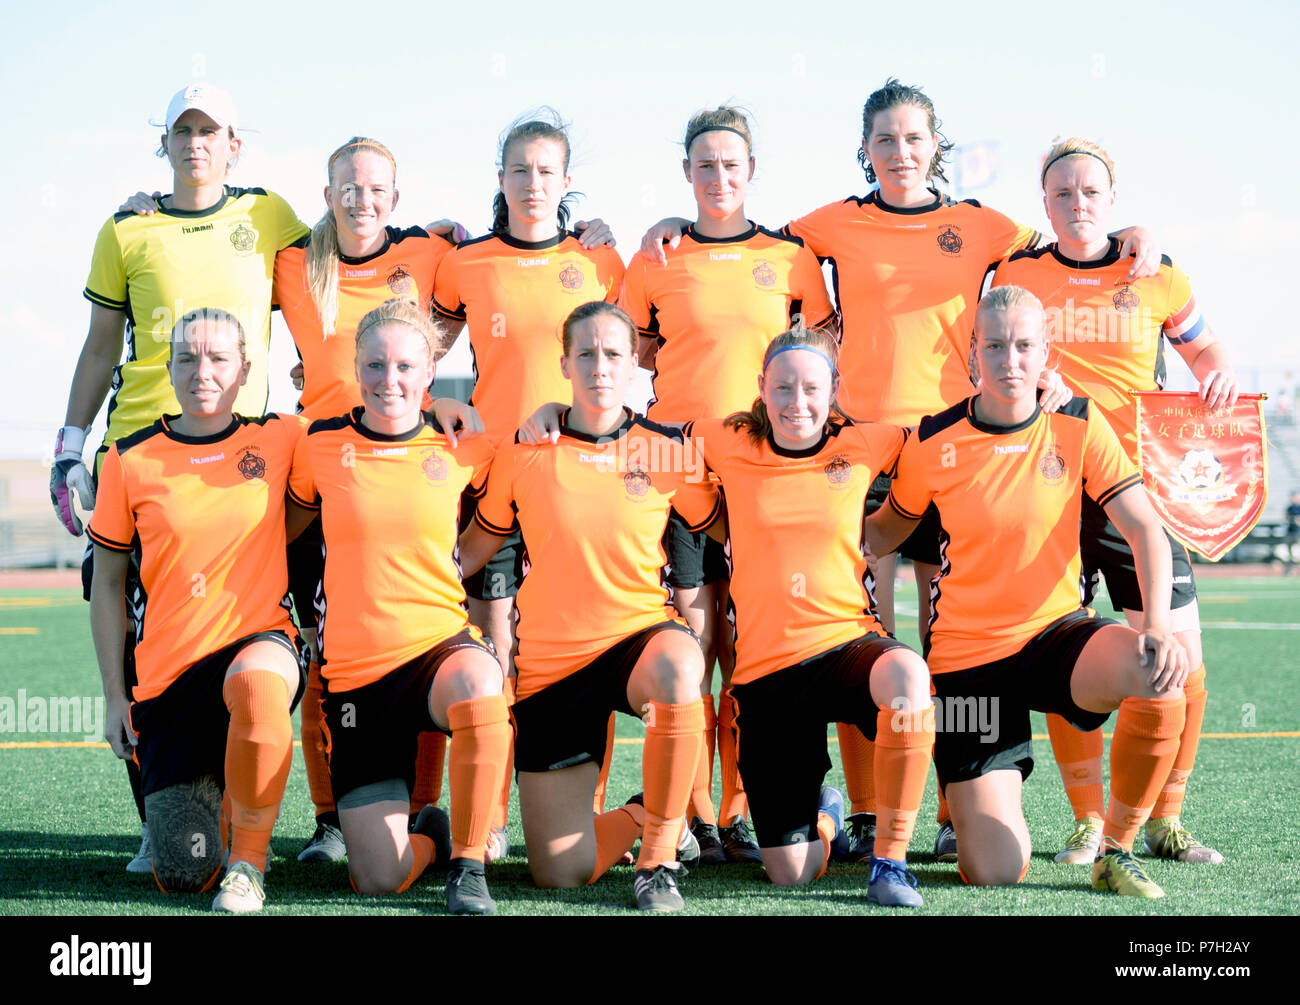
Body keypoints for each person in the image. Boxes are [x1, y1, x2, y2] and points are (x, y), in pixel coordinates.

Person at [638, 80, 1157, 862]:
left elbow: (1060, 255)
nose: (900, 153)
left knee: (941, 632)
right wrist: (671, 223)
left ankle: (957, 805)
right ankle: (866, 811)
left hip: (958, 447)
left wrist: (1132, 235)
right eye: (885, 140)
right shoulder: (830, 224)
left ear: (935, 146)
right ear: (865, 149)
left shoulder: (983, 226)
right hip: (862, 454)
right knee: (860, 630)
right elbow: (740, 238)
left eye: (914, 139)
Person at [52, 82, 309, 874]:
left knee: (245, 640)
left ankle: (258, 811)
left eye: (211, 131)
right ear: (163, 143)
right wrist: (69, 443)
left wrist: (446, 236)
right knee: (137, 650)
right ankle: (163, 812)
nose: (196, 143)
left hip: (238, 471)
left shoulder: (268, 215)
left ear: (235, 143)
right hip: (141, 460)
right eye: (182, 132)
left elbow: (339, 268)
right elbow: (101, 348)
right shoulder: (127, 227)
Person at [866, 286, 1189, 897]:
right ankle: (966, 809)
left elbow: (1147, 528)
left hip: (1056, 636)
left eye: (1023, 346)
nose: (1009, 360)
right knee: (993, 872)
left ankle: (1116, 849)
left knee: (1161, 670)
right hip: (967, 663)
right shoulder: (933, 440)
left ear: (1046, 353)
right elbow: (883, 533)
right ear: (972, 354)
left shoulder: (1078, 422)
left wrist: (1157, 628)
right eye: (994, 346)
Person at [993, 137, 1236, 865]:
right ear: (1044, 202)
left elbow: (1206, 350)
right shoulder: (1018, 270)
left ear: (1113, 197)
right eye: (1062, 193)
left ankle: (1167, 819)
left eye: (1090, 192)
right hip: (1052, 488)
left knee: (1184, 660)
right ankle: (1088, 822)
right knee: (1077, 658)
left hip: (1139, 489)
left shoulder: (1154, 272)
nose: (1076, 204)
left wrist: (1217, 374)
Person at [618, 105, 837, 863]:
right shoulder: (657, 255)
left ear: (751, 171)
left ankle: (742, 811)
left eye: (731, 164)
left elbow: (821, 345)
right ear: (686, 171)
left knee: (751, 645)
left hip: (762, 470)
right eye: (704, 164)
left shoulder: (788, 254)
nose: (718, 177)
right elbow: (627, 344)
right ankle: (691, 816)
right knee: (691, 640)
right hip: (675, 464)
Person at [459, 302, 717, 911]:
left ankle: (657, 864)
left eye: (613, 354)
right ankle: (646, 816)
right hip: (553, 664)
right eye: (586, 354)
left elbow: (729, 526)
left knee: (682, 670)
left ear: (635, 365)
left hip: (639, 640)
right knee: (559, 871)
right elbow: (475, 549)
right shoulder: (524, 452)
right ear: (564, 363)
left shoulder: (667, 450)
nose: (600, 366)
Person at [679, 325, 933, 906]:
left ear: (834, 388)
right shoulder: (724, 441)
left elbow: (953, 435)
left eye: (813, 388)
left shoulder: (869, 441)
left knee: (909, 678)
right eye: (784, 388)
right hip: (768, 675)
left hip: (847, 646)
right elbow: (652, 440)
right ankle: (828, 817)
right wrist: (549, 411)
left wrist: (1046, 393)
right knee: (790, 873)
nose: (799, 403)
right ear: (762, 388)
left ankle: (890, 862)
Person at [273, 136, 466, 865]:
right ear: (327, 196)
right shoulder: (293, 261)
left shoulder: (430, 252)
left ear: (397, 193)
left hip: (411, 475)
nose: (362, 199)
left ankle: (424, 807)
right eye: (348, 187)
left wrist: (595, 236)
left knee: (424, 641)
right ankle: (332, 818)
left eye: (376, 187)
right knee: (328, 653)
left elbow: (499, 271)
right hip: (327, 478)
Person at [432, 109, 625, 838]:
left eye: (547, 171)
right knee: (494, 647)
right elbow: (428, 337)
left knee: (585, 640)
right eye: (520, 170)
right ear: (502, 178)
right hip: (492, 479)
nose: (533, 182)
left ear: (566, 180)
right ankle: (493, 813)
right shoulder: (466, 261)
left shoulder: (599, 262)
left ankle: (586, 804)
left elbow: (639, 347)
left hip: (578, 484)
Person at [286, 299, 510, 914]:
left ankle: (468, 867)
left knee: (483, 684)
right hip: (357, 675)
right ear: (356, 370)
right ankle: (436, 839)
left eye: (406, 366)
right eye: (376, 365)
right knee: (377, 879)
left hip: (439, 649)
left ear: (429, 372)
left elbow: (496, 517)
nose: (391, 380)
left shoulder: (463, 443)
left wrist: (453, 565)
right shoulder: (320, 446)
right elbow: (289, 525)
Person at [88, 307, 305, 913]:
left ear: (243, 370)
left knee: (260, 683)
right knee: (183, 870)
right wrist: (113, 694)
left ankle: (249, 867)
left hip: (258, 643)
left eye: (217, 358)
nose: (201, 371)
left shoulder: (281, 437)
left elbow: (367, 429)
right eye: (187, 357)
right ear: (169, 368)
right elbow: (107, 586)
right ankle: (223, 807)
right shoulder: (129, 459)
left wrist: (447, 407)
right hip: (169, 678)